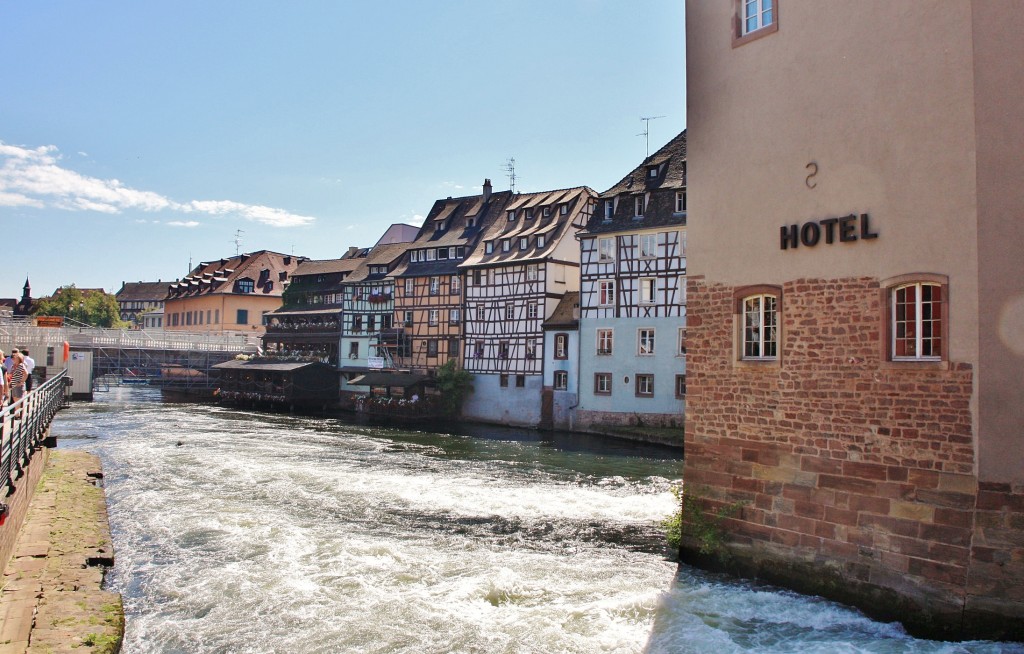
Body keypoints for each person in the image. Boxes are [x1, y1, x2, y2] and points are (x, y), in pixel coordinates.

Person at [8, 352, 27, 419]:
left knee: (19, 399)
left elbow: (26, 373)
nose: (14, 359)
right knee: (15, 399)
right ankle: (17, 414)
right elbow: (11, 374)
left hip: (18, 385)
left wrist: (22, 381)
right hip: (13, 384)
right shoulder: (13, 366)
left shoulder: (21, 365)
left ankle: (19, 415)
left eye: (16, 358)